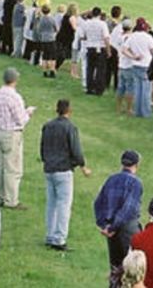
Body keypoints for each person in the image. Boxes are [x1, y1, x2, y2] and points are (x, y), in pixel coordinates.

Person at [40, 99, 91, 250]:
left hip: (49, 168)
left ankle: (50, 235)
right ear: (69, 111)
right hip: (63, 170)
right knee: (63, 205)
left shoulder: (47, 126)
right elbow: (76, 150)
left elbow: (42, 148)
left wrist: (46, 160)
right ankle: (59, 239)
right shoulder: (70, 127)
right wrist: (83, 166)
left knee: (51, 204)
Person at [95, 151, 144, 281]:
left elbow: (98, 203)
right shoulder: (136, 183)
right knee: (131, 269)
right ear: (136, 165)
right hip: (127, 228)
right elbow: (128, 209)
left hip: (111, 229)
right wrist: (113, 227)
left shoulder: (111, 179)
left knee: (115, 268)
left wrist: (105, 226)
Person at [0, 68, 34, 210]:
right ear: (15, 80)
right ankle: (11, 200)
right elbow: (20, 120)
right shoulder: (15, 97)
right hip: (12, 134)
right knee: (13, 168)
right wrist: (28, 113)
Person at [122, 18, 153, 118]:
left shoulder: (132, 37)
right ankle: (145, 112)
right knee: (146, 90)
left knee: (137, 89)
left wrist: (133, 57)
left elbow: (124, 50)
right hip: (146, 65)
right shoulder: (148, 37)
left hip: (135, 64)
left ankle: (137, 111)